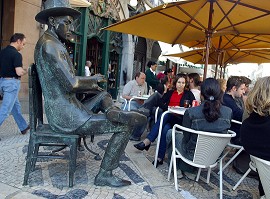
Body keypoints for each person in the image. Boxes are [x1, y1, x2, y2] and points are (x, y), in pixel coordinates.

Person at [34, 0, 146, 187]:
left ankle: (112, 110)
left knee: (102, 94)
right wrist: (92, 80)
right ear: (53, 21)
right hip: (66, 116)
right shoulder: (50, 45)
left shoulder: (52, 42)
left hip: (68, 108)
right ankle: (105, 174)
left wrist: (91, 85)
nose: (71, 27)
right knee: (124, 127)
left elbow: (66, 80)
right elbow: (71, 84)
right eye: (67, 22)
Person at [166, 78, 232, 175]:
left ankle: (176, 169)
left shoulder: (191, 112)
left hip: (193, 155)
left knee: (170, 133)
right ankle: (188, 170)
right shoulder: (228, 112)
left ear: (201, 94)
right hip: (215, 157)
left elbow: (186, 138)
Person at [134, 73, 195, 166]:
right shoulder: (170, 92)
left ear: (185, 84)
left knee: (164, 115)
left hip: (180, 120)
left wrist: (185, 107)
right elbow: (161, 103)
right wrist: (170, 107)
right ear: (175, 83)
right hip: (169, 119)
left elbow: (193, 107)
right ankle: (159, 158)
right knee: (165, 129)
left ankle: (147, 141)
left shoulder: (188, 94)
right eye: (179, 82)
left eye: (183, 83)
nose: (181, 84)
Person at [0, 33, 30, 137]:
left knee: (15, 106)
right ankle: (23, 127)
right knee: (5, 110)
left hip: (2, 82)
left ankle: (23, 127)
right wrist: (26, 70)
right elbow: (19, 72)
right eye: (23, 44)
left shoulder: (2, 52)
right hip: (11, 84)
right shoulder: (16, 54)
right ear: (18, 41)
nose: (23, 46)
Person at [222, 76, 246, 144]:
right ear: (234, 88)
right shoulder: (228, 101)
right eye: (242, 89)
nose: (244, 91)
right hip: (236, 135)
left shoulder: (226, 99)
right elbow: (241, 116)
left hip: (233, 133)